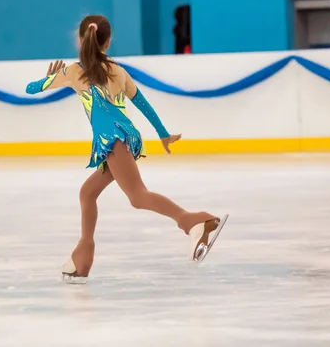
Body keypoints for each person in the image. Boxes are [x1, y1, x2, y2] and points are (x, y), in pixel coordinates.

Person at [25, 15, 226, 283]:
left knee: (138, 197)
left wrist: (50, 78)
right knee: (88, 193)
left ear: (81, 40)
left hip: (112, 140)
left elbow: (30, 89)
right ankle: (83, 256)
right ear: (107, 42)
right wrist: (163, 134)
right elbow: (143, 104)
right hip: (123, 138)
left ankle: (193, 221)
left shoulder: (73, 72)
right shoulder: (118, 70)